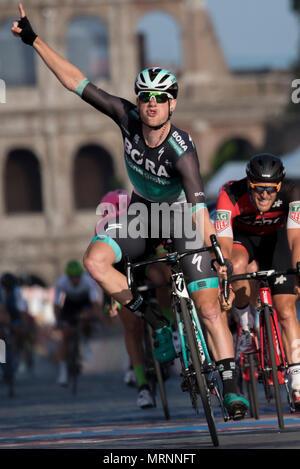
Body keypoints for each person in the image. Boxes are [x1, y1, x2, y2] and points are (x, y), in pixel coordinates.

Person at [11, 4, 249, 419]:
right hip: (140, 214)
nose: (151, 104)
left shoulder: (183, 151)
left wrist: (213, 251)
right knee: (94, 261)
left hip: (180, 218)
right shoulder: (126, 116)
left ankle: (230, 386)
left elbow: (197, 208)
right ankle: (153, 318)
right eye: (145, 97)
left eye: (160, 98)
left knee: (209, 306)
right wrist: (34, 41)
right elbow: (76, 81)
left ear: (172, 105)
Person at [214, 153, 300, 408]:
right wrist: (225, 265)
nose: (264, 195)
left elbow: (296, 238)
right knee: (236, 265)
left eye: (270, 190)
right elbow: (224, 241)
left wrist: (298, 267)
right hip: (243, 241)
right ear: (248, 184)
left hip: (277, 242)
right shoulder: (229, 192)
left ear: (279, 186)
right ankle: (244, 324)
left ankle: (297, 377)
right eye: (257, 189)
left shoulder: (293, 191)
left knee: (285, 309)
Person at [54, 260, 102, 385]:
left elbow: (95, 303)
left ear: (81, 276)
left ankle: (85, 341)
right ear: (67, 277)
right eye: (72, 278)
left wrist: (95, 315)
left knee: (86, 318)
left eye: (77, 277)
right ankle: (63, 371)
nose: (75, 280)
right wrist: (58, 320)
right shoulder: (61, 282)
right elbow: (56, 305)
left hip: (84, 303)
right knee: (65, 336)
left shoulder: (88, 281)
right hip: (69, 304)